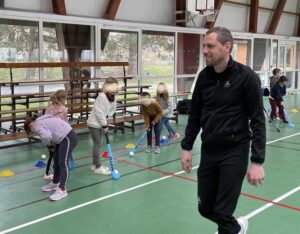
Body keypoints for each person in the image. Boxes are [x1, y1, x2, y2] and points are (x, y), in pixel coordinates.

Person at [180, 27, 266, 234]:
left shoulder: (246, 77)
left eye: (210, 46)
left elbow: (257, 120)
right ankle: (238, 228)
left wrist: (257, 161)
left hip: (234, 151)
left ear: (227, 47)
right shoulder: (204, 77)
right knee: (205, 208)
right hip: (209, 150)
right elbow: (195, 115)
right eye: (204, 46)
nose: (205, 50)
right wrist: (186, 147)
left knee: (222, 211)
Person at [24, 115, 77, 201]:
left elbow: (46, 136)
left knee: (63, 163)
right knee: (56, 161)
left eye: (31, 131)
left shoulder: (37, 125)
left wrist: (49, 145)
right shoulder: (41, 121)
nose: (35, 132)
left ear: (30, 127)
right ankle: (55, 183)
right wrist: (52, 146)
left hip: (68, 137)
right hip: (61, 138)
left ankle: (62, 189)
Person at [87, 77, 119, 175]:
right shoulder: (101, 96)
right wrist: (104, 125)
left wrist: (106, 117)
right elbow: (99, 113)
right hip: (94, 124)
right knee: (97, 144)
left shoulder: (113, 97)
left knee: (98, 144)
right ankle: (98, 167)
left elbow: (113, 109)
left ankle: (94, 164)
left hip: (101, 123)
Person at [44, 89, 68, 180]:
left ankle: (54, 171)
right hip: (56, 135)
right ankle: (48, 173)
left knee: (54, 153)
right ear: (63, 99)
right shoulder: (63, 109)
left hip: (49, 134)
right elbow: (65, 123)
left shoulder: (49, 107)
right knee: (53, 154)